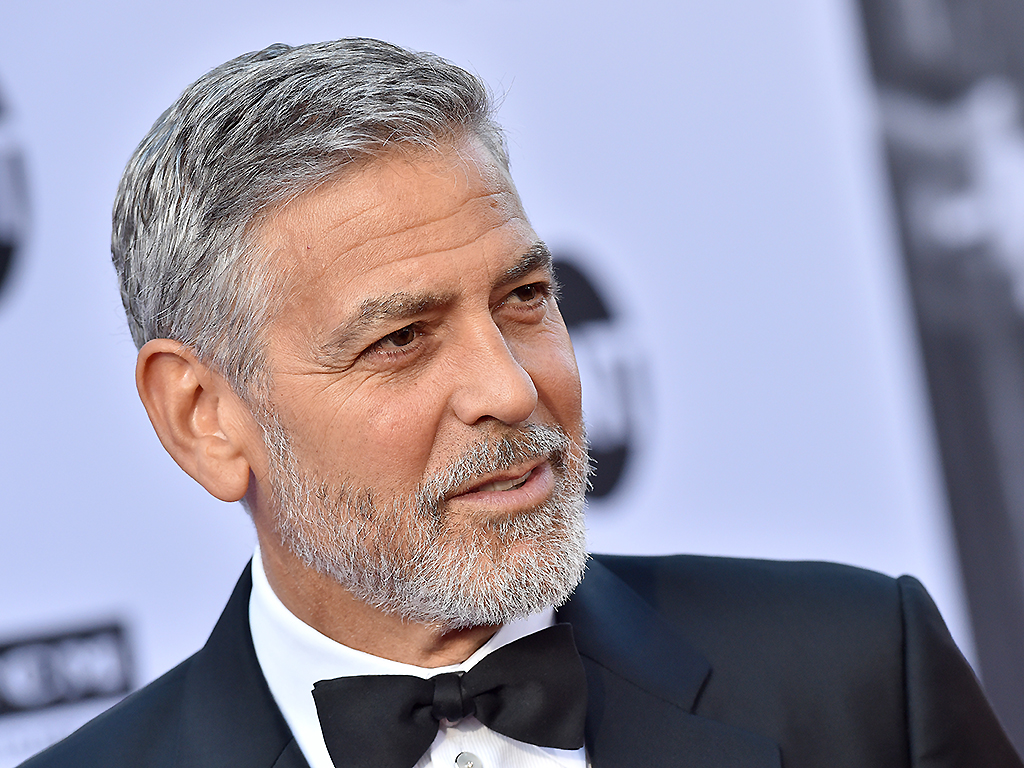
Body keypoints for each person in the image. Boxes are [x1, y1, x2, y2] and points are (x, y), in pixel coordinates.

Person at [20, 38, 1021, 768]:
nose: (509, 387)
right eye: (399, 340)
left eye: (524, 300)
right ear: (204, 416)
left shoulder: (856, 672)